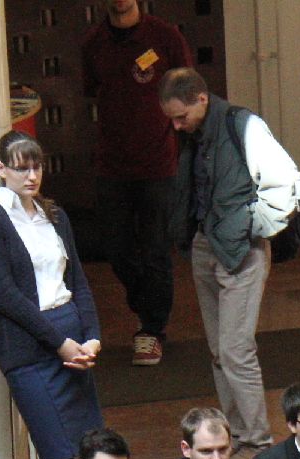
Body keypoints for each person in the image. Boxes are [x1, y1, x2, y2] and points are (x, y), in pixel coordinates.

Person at [159, 67, 300, 455]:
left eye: (181, 116)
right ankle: (236, 434)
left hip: (241, 251)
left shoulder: (244, 126)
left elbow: (288, 188)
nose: (176, 126)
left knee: (235, 351)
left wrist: (247, 227)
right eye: (172, 118)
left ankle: (257, 441)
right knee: (218, 351)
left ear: (201, 99)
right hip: (204, 246)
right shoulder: (192, 135)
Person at [0, 130, 104, 459]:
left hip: (71, 338)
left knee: (92, 454)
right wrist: (59, 343)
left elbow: (77, 281)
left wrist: (92, 337)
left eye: (37, 167)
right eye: (21, 169)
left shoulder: (55, 215)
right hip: (29, 347)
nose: (31, 176)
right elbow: (4, 294)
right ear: (1, 169)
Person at [79, 0, 188, 369]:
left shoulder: (166, 37)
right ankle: (148, 305)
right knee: (117, 248)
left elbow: (187, 93)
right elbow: (92, 90)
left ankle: (152, 329)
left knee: (156, 249)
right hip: (112, 166)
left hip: (159, 164)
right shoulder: (93, 43)